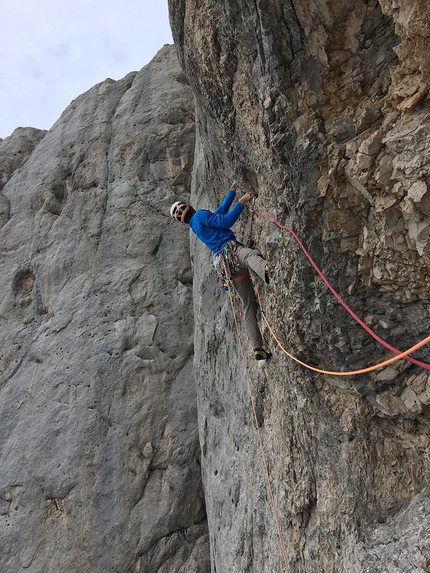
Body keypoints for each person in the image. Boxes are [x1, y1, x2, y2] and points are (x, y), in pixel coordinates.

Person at [170, 182, 272, 361]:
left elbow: (219, 213)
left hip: (228, 267)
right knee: (250, 256)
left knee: (248, 306)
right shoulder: (200, 215)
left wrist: (231, 192)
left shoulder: (195, 225)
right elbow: (225, 221)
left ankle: (258, 348)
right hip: (232, 252)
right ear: (190, 206)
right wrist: (244, 200)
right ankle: (267, 270)